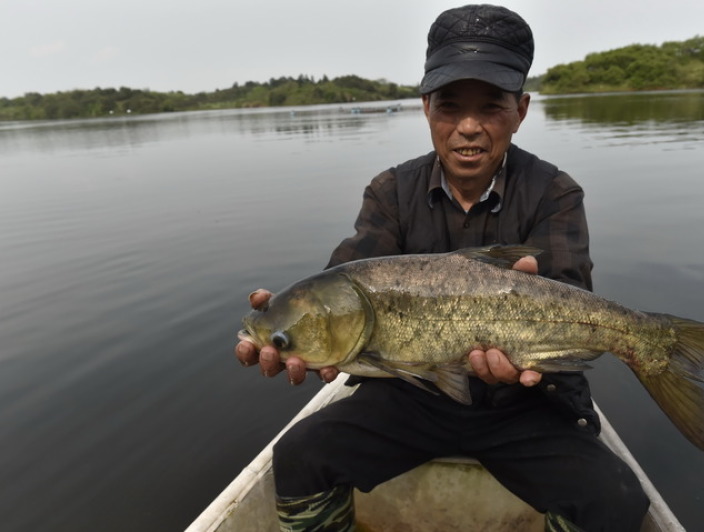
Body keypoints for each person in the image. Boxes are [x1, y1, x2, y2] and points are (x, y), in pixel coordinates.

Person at [235, 5, 649, 531]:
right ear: (426, 107)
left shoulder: (555, 193)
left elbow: (570, 294)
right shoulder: (391, 191)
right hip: (412, 396)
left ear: (521, 110)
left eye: (492, 107)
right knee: (299, 455)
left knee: (614, 502)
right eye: (450, 106)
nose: (468, 128)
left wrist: (534, 352)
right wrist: (291, 322)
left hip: (525, 402)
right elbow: (347, 277)